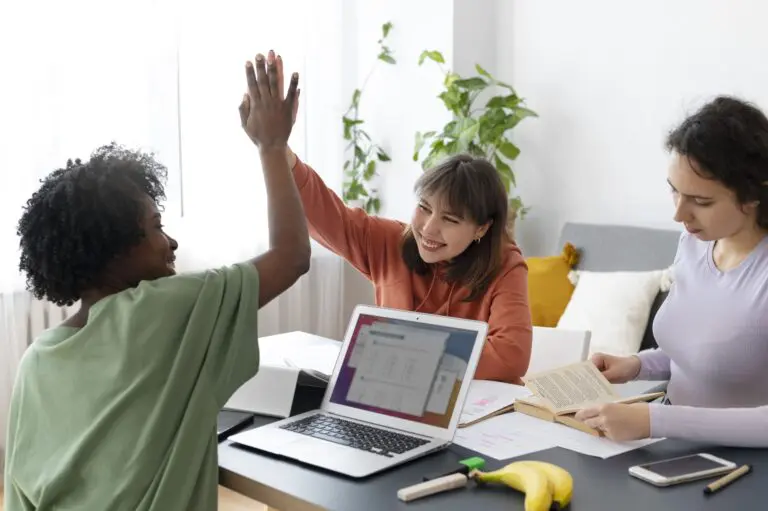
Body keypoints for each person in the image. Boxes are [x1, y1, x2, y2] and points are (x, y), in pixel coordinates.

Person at [4, 52, 308, 510]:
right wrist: (271, 146)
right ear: (115, 246)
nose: (171, 243)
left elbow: (22, 494)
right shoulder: (164, 311)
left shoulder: (36, 361)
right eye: (156, 227)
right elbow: (292, 256)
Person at [273, 57, 532, 385]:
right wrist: (276, 146)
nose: (428, 228)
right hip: (398, 402)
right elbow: (322, 211)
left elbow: (511, 356)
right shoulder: (390, 242)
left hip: (479, 416)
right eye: (424, 207)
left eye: (450, 219)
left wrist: (405, 356)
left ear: (482, 227)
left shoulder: (504, 265)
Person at [575, 95, 768, 448]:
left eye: (701, 201)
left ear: (753, 195)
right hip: (673, 445)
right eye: (674, 191)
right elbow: (702, 351)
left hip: (745, 469)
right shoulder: (694, 243)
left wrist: (654, 419)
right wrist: (636, 365)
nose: (679, 214)